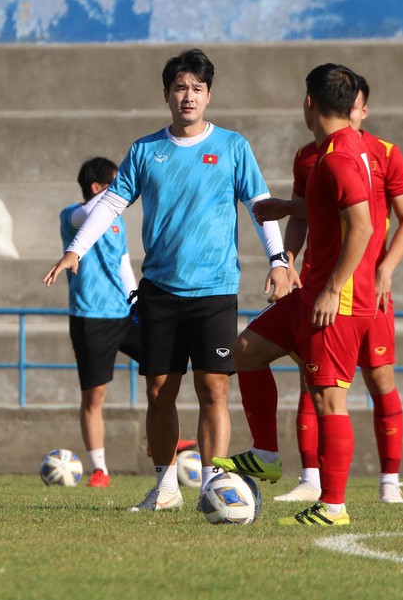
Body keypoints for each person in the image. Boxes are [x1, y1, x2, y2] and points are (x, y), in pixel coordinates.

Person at [44, 49, 291, 511]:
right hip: (159, 289)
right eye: (181, 87)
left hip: (216, 289)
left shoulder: (234, 147)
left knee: (214, 388)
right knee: (159, 391)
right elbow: (112, 205)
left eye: (198, 88)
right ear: (166, 94)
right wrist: (74, 250)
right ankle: (165, 486)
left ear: (209, 95)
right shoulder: (144, 150)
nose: (189, 96)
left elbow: (260, 205)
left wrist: (278, 259)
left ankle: (214, 484)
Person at [213, 63, 378, 527]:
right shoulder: (327, 152)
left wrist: (332, 289)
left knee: (328, 399)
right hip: (310, 292)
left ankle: (333, 507)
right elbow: (329, 208)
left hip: (336, 299)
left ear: (309, 102)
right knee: (245, 350)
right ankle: (266, 453)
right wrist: (287, 217)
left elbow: (362, 227)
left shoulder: (341, 156)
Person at [252, 75, 403, 504]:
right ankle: (300, 473)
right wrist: (285, 262)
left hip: (350, 290)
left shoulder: (368, 154)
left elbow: (375, 223)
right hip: (320, 285)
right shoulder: (313, 156)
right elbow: (319, 213)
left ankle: (372, 487)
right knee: (283, 367)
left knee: (358, 384)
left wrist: (382, 270)